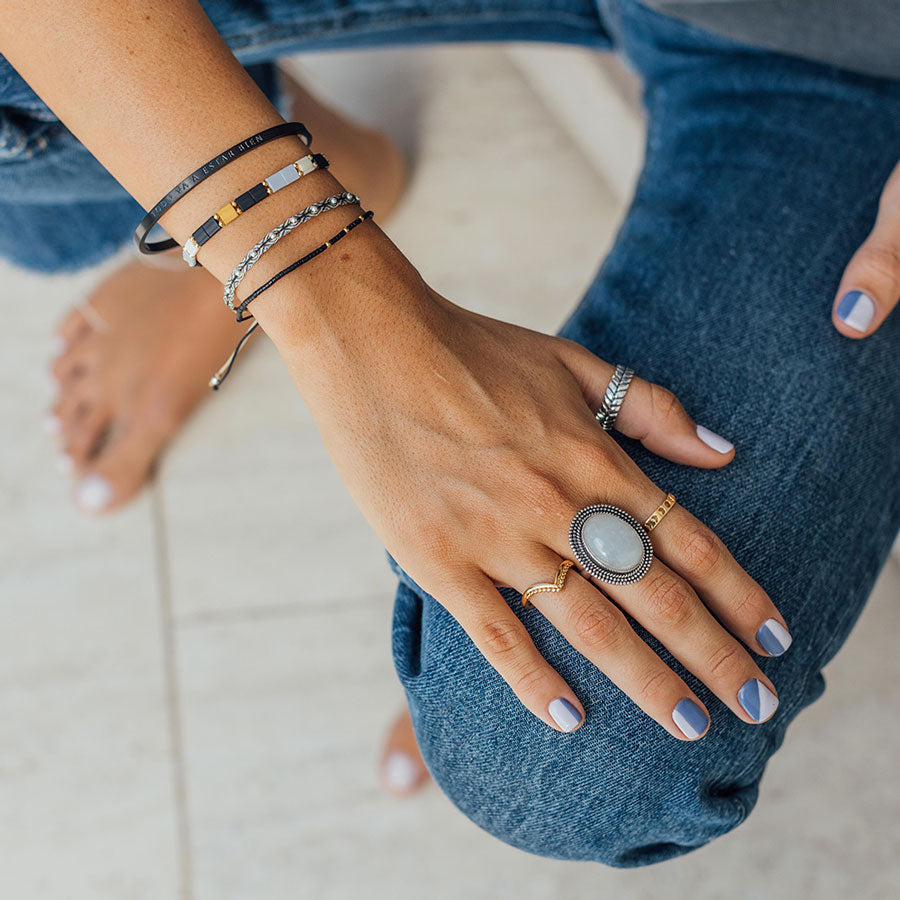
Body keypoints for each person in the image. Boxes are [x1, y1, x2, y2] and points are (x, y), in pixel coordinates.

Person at [2, 0, 898, 868]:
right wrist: (319, 295)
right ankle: (253, 199)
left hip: (830, 47)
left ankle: (232, 197)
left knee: (568, 757)